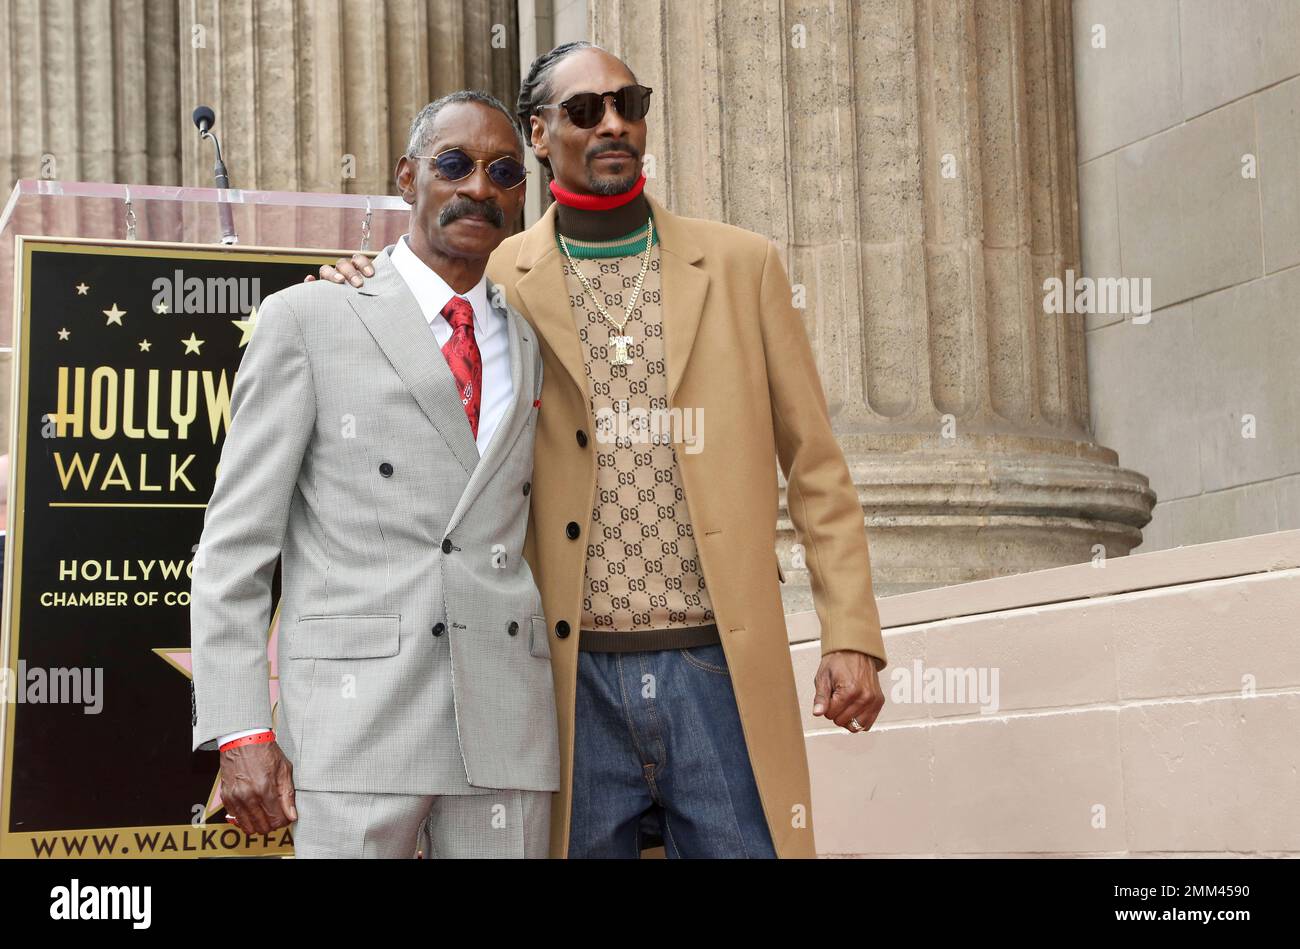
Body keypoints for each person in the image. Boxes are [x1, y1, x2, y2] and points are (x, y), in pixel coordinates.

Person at [320, 42, 888, 859]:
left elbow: (817, 467)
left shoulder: (741, 266)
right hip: (561, 678)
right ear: (540, 135)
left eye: (630, 102)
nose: (615, 123)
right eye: (586, 110)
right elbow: (404, 318)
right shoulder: (497, 276)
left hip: (716, 667)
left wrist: (851, 631)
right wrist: (346, 283)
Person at [191, 90, 557, 858]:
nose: (479, 188)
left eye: (504, 173)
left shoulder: (525, 339)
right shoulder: (310, 319)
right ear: (405, 178)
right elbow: (234, 546)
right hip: (356, 729)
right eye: (453, 164)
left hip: (502, 722)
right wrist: (241, 726)